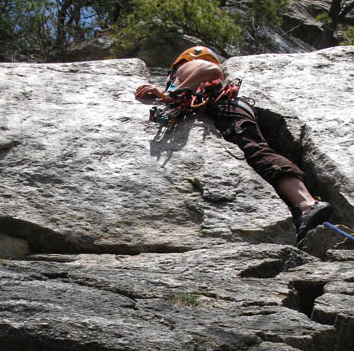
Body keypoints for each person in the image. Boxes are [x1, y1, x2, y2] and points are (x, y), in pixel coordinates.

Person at [135, 45, 332, 242]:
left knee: (256, 151)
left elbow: (211, 72)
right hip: (231, 110)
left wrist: (170, 94)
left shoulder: (188, 66)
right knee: (255, 155)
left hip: (227, 110)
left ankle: (307, 204)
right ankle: (300, 212)